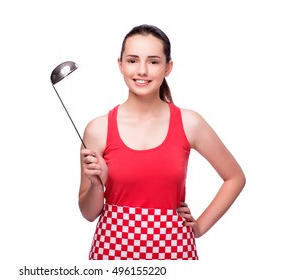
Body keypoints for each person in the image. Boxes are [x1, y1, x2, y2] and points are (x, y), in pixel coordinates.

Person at [78, 24, 246, 260]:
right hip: (111, 249)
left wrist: (200, 227)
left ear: (168, 67)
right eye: (133, 60)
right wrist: (98, 184)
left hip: (175, 248)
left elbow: (235, 177)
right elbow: (88, 213)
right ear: (120, 65)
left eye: (154, 61)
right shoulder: (97, 129)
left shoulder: (190, 123)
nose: (142, 70)